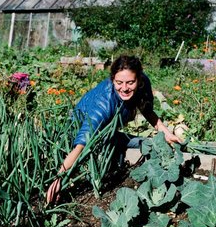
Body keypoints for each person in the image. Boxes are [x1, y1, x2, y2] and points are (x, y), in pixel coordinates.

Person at [46, 55, 182, 204]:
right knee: (117, 149)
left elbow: (147, 110)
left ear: (139, 80)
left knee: (145, 143)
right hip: (82, 133)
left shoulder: (143, 84)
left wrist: (166, 133)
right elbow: (81, 145)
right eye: (119, 83)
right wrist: (59, 178)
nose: (124, 88)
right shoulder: (103, 104)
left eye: (130, 82)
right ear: (112, 80)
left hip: (109, 133)